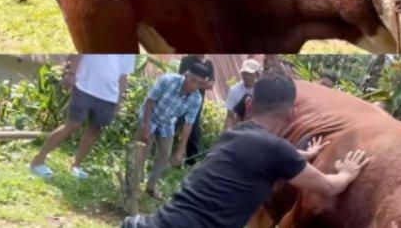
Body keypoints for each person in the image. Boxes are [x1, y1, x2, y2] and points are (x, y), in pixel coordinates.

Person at [122, 74, 370, 228]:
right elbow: (329, 187)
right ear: (292, 113)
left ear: (249, 104)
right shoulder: (276, 150)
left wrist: (303, 156)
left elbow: (270, 159)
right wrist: (346, 173)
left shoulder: (234, 134)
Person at [30, 54, 136, 179]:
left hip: (109, 95)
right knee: (73, 125)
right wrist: (71, 73)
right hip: (84, 86)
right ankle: (38, 160)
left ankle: (76, 165)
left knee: (95, 130)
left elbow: (123, 75)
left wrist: (119, 99)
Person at [138, 63, 210, 197]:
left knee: (165, 156)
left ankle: (150, 188)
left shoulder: (196, 99)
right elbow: (149, 101)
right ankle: (131, 187)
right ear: (186, 75)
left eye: (200, 83)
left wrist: (181, 149)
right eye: (193, 80)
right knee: (141, 153)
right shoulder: (168, 80)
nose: (195, 86)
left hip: (167, 124)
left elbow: (189, 123)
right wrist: (146, 128)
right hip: (150, 117)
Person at [177, 55, 214, 167]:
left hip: (196, 101)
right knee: (174, 124)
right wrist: (202, 83)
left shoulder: (209, 64)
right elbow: (182, 77)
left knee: (194, 131)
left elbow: (211, 85)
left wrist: (194, 82)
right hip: (180, 99)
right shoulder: (187, 59)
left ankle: (190, 161)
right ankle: (172, 154)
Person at [222, 59, 261, 130]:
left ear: (257, 75)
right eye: (244, 73)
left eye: (250, 74)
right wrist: (226, 132)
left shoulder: (262, 90)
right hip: (239, 128)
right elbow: (230, 115)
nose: (247, 77)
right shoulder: (234, 90)